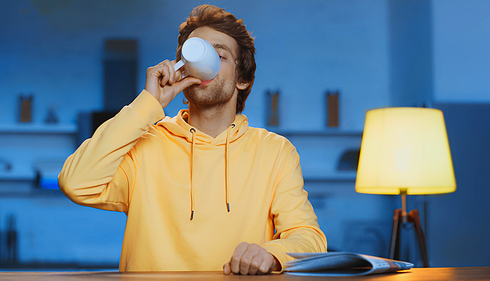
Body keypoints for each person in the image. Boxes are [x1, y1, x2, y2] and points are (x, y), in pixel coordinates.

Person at [58, 4, 327, 275]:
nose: (204, 63)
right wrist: (148, 103)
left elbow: (309, 238)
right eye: (196, 54)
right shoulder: (145, 144)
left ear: (242, 79)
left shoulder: (274, 152)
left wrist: (272, 254)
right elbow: (76, 183)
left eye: (219, 55)